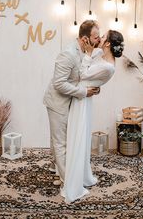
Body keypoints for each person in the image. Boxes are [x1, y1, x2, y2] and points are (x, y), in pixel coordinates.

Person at [62, 29, 124, 203]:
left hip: (83, 102)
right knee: (77, 137)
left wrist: (88, 54)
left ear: (108, 44)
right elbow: (88, 74)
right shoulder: (99, 54)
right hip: (83, 96)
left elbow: (83, 74)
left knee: (78, 138)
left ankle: (75, 185)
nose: (100, 38)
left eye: (103, 36)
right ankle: (81, 176)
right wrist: (90, 53)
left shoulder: (108, 67)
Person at [43, 20, 101, 185]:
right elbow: (59, 84)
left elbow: (82, 75)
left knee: (59, 137)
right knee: (61, 141)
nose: (98, 40)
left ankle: (55, 168)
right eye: (96, 37)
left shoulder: (86, 51)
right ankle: (67, 181)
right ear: (84, 39)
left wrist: (94, 87)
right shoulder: (68, 54)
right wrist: (84, 92)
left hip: (70, 101)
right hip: (57, 102)